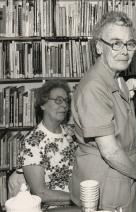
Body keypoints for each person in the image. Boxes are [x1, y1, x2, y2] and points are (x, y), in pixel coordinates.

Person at [69, 11, 136, 212]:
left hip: (121, 174)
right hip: (105, 182)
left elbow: (128, 140)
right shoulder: (95, 87)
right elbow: (110, 151)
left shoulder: (118, 79)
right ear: (99, 46)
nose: (124, 51)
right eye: (115, 43)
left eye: (130, 44)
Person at [16, 80, 79, 211]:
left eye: (66, 101)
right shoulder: (32, 142)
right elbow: (41, 193)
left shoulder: (69, 133)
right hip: (51, 207)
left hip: (77, 200)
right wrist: (80, 198)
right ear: (43, 104)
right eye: (58, 100)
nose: (65, 106)